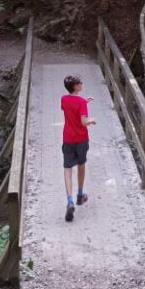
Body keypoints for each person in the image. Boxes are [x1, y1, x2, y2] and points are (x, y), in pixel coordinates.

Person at [61, 74, 95, 222]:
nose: (82, 84)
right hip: (81, 139)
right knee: (81, 165)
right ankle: (80, 196)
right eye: (80, 83)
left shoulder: (64, 98)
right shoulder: (81, 102)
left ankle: (69, 200)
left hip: (68, 138)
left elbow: (69, 108)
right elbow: (83, 122)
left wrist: (84, 103)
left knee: (67, 169)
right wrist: (91, 120)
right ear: (75, 86)